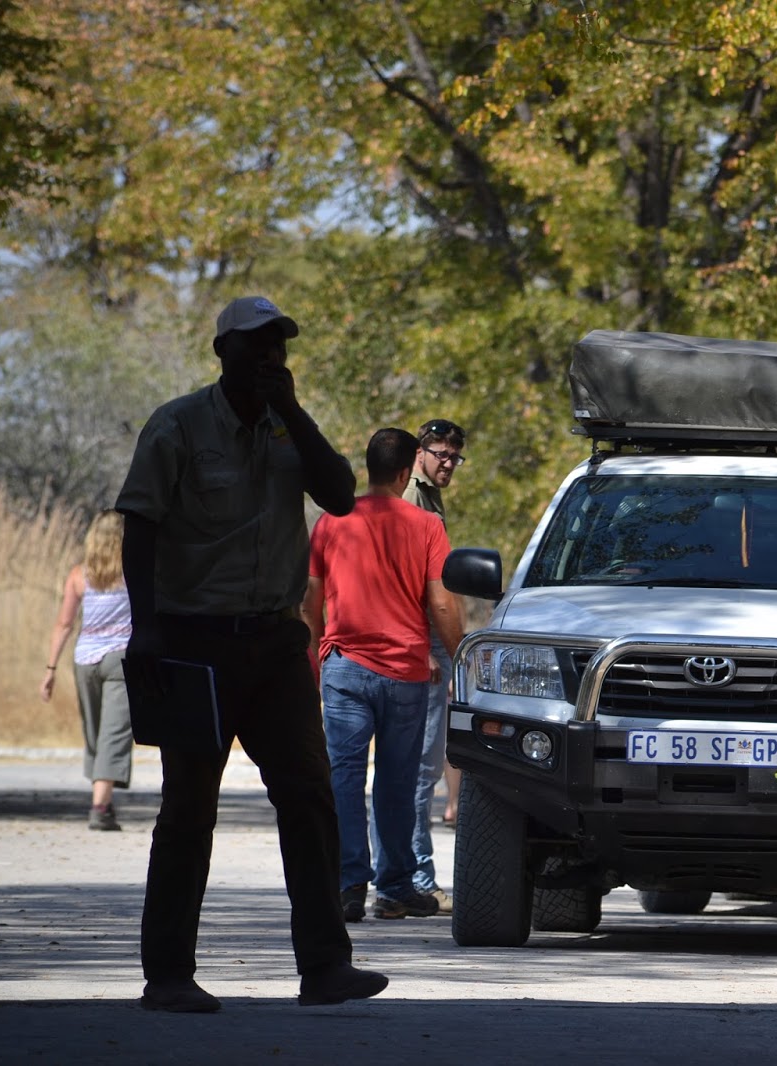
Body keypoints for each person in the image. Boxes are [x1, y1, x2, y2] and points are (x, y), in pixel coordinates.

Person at [115, 295, 385, 1013]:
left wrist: (294, 413)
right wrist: (145, 627)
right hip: (195, 643)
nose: (269, 356)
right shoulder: (177, 425)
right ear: (221, 352)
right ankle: (168, 975)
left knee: (310, 795)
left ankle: (326, 967)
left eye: (279, 345)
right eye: (255, 345)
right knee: (188, 812)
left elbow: (338, 498)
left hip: (273, 645)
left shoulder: (288, 430)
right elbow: (138, 526)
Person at [305, 427, 462, 922]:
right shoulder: (426, 526)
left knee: (345, 778)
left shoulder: (332, 521)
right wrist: (463, 655)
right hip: (404, 674)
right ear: (403, 472)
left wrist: (315, 657)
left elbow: (310, 597)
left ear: (367, 467)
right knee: (396, 781)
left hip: (344, 669)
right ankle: (394, 888)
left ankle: (349, 884)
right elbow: (440, 599)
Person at [401, 417, 467, 908]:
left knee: (420, 763)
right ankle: (416, 877)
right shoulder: (411, 498)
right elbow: (408, 582)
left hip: (424, 639)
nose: (447, 462)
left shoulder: (429, 496)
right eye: (439, 453)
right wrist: (428, 646)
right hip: (418, 639)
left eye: (453, 456)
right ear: (419, 453)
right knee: (419, 766)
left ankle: (406, 874)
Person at [40, 510, 134, 831]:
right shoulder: (133, 572)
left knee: (95, 732)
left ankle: (103, 802)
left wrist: (51, 667)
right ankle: (99, 806)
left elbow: (64, 623)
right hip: (120, 658)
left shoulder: (79, 575)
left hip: (85, 660)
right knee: (113, 733)